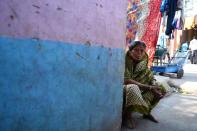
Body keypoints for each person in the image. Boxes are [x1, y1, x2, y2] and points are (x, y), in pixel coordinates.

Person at [122, 41, 166, 129]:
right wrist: (149, 87)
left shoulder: (144, 60)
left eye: (142, 51)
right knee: (132, 88)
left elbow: (148, 74)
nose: (139, 53)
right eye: (136, 50)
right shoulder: (124, 60)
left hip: (141, 86)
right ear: (130, 51)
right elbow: (127, 80)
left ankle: (146, 112)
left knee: (160, 88)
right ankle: (127, 116)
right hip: (125, 87)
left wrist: (153, 85)